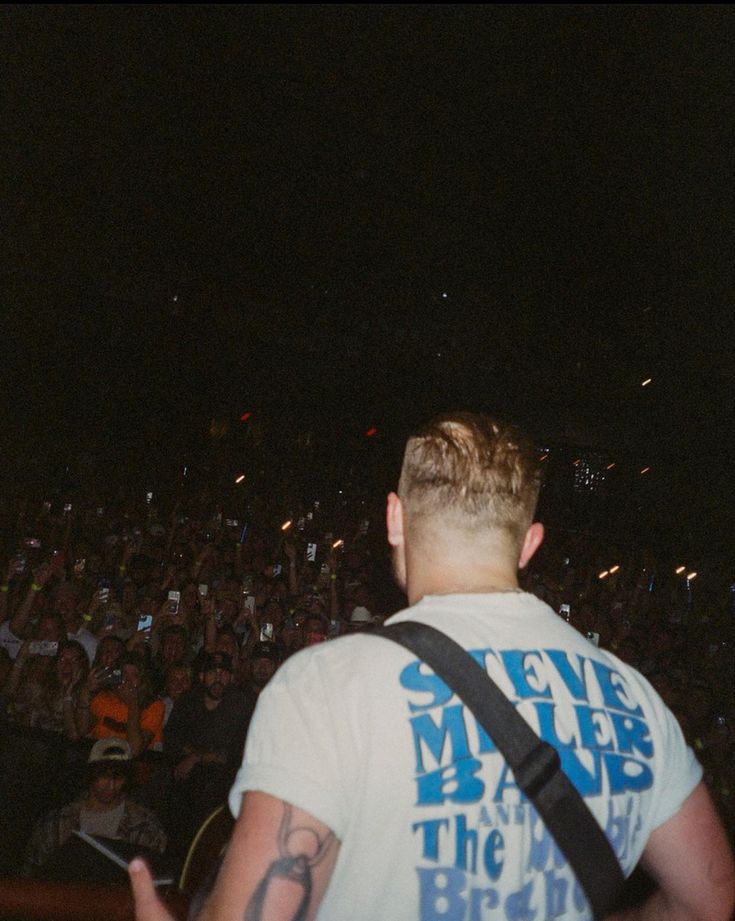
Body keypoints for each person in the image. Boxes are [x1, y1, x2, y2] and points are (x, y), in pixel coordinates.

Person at [127, 414, 733, 919]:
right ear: (529, 543)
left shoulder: (328, 684)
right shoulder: (635, 698)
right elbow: (711, 902)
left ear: (394, 518)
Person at [21, 737, 166, 877]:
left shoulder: (144, 826)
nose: (111, 785)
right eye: (104, 776)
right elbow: (31, 875)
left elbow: (156, 880)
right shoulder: (56, 822)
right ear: (91, 775)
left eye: (118, 777)